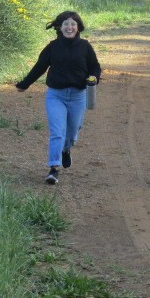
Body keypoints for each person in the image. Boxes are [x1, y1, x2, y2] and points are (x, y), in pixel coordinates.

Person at [16, 11, 101, 184]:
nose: (69, 27)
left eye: (73, 24)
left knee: (72, 133)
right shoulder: (52, 47)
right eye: (66, 24)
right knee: (57, 132)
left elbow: (95, 67)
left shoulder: (85, 47)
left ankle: (66, 150)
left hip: (78, 96)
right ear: (60, 27)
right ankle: (54, 169)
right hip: (56, 96)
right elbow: (39, 68)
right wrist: (25, 84)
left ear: (78, 28)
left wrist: (94, 77)